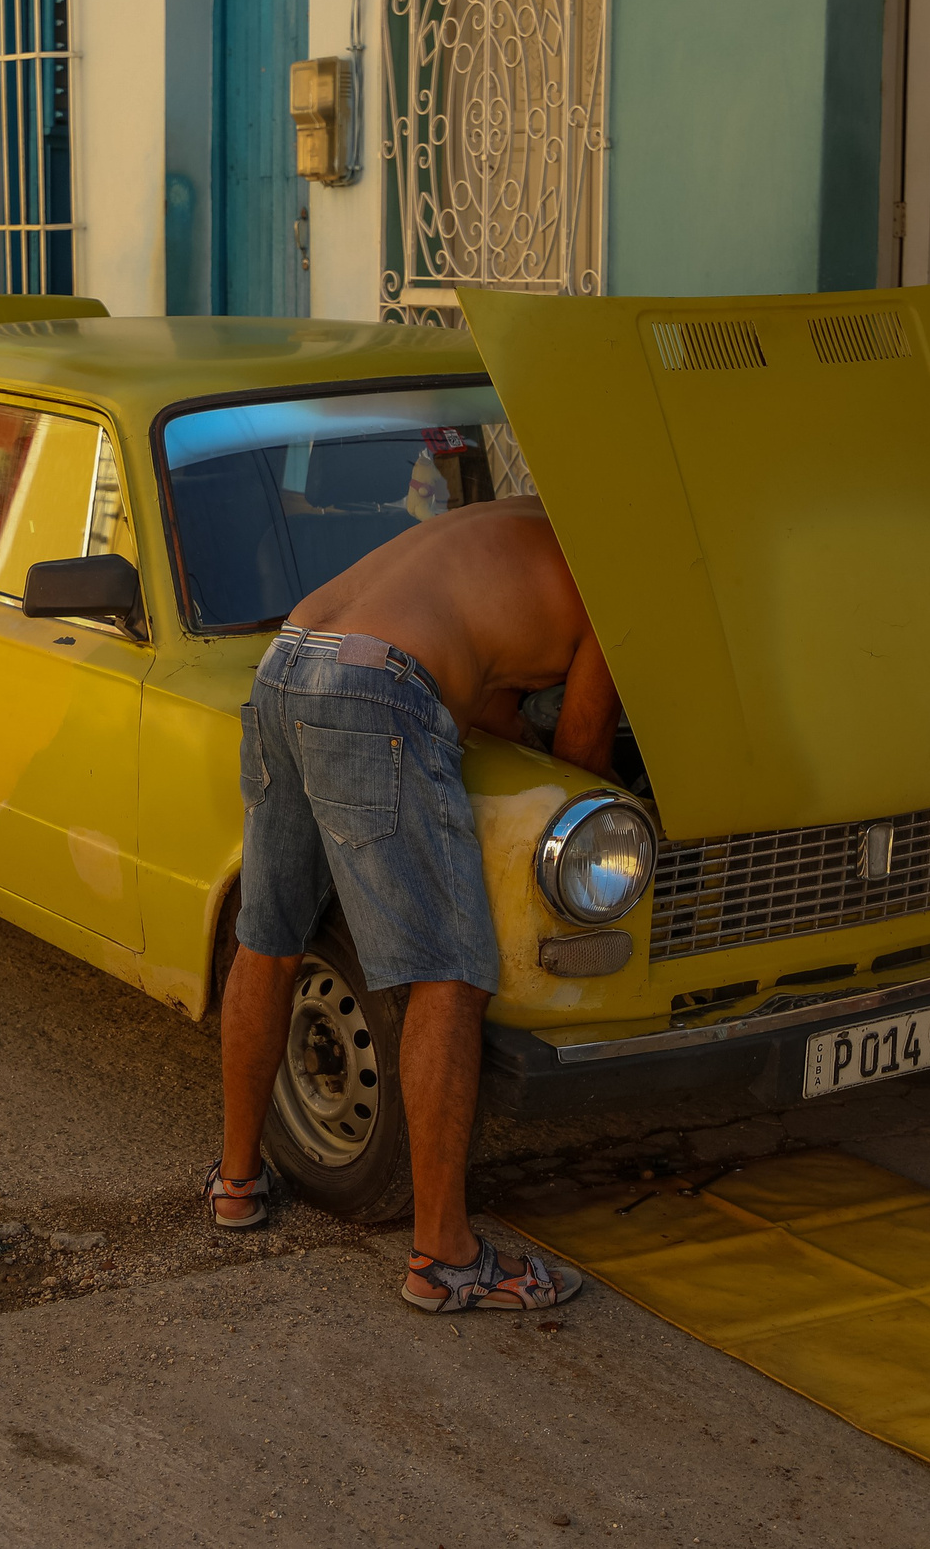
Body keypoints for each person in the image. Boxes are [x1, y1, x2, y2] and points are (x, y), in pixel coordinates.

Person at [209, 493, 621, 1312]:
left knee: (270, 933)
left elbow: (485, 687)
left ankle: (236, 1181)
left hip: (290, 659)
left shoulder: (511, 520)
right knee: (450, 974)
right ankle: (444, 1256)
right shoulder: (614, 586)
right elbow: (579, 759)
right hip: (377, 685)